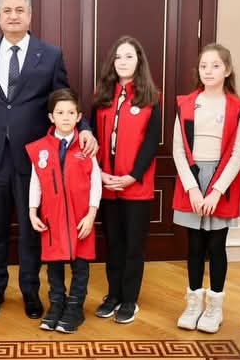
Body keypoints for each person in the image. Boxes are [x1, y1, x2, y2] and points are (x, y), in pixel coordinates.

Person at [0, 0, 98, 320]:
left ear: (30, 16)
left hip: (34, 160)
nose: (13, 16)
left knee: (30, 230)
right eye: (7, 11)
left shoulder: (49, 54)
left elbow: (64, 97)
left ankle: (30, 291)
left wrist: (84, 128)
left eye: (19, 10)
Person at [172, 43, 240, 333]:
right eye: (204, 66)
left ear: (227, 70)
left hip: (221, 181)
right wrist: (192, 188)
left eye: (215, 66)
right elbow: (179, 150)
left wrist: (216, 191)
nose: (208, 71)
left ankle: (214, 307)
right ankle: (193, 304)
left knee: (216, 246)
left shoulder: (238, 108)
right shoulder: (186, 104)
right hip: (191, 179)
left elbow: (238, 154)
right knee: (194, 246)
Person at [92, 36, 161, 324]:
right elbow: (93, 140)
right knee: (114, 244)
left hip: (136, 187)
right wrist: (100, 173)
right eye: (118, 57)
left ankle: (129, 299)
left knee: (133, 246)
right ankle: (113, 295)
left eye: (129, 56)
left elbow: (151, 143)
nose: (122, 62)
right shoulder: (102, 98)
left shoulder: (151, 98)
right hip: (108, 185)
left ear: (139, 62)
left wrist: (132, 177)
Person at [25, 88, 102, 333]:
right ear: (51, 117)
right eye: (60, 113)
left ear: (79, 117)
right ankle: (56, 304)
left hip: (81, 218)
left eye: (71, 113)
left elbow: (96, 182)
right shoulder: (40, 148)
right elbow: (36, 181)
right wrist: (32, 211)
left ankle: (75, 307)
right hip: (52, 218)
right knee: (54, 264)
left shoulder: (86, 147)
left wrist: (91, 215)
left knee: (80, 264)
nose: (66, 117)